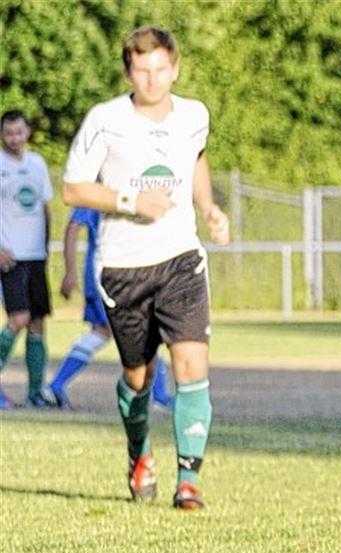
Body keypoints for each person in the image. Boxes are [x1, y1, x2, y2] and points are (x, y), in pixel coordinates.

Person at [62, 26, 229, 509]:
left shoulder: (195, 114)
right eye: (142, 70)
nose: (153, 80)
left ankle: (188, 480)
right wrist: (130, 200)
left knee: (192, 364)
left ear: (174, 68)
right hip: (122, 266)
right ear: (128, 72)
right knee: (139, 376)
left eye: (161, 69)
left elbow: (196, 158)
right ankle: (138, 451)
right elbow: (73, 188)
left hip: (181, 260)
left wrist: (208, 205)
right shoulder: (105, 120)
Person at [46, 207, 174, 410]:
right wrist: (70, 272)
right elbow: (73, 227)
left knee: (105, 331)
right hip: (108, 274)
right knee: (143, 329)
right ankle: (158, 396)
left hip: (120, 273)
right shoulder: (98, 186)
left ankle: (55, 386)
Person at [0, 109, 53, 409]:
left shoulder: (37, 164)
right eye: (9, 133)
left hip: (36, 256)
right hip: (11, 256)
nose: (15, 138)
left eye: (19, 132)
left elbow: (46, 208)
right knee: (17, 318)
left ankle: (35, 391)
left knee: (37, 323)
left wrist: (45, 247)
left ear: (27, 132)